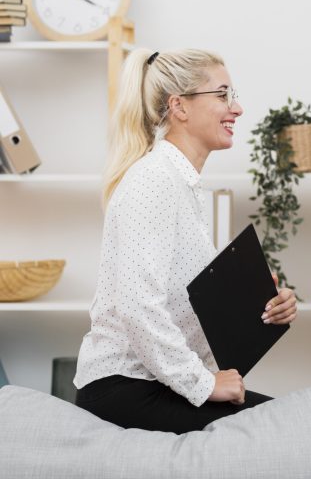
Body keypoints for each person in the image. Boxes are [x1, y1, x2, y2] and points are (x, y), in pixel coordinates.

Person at [74, 49, 297, 433]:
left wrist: (261, 304)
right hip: (124, 388)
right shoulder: (153, 180)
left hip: (154, 384)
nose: (238, 107)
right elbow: (136, 304)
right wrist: (203, 382)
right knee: (291, 427)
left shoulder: (182, 186)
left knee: (296, 423)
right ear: (179, 106)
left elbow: (180, 302)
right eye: (223, 94)